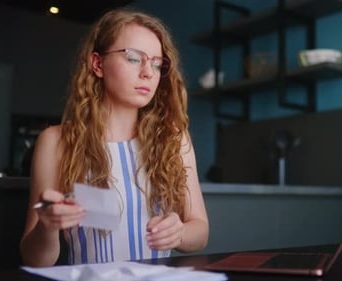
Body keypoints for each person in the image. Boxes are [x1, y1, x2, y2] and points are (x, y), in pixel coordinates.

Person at [20, 8, 209, 267]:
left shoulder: (174, 139)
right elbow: (34, 259)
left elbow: (200, 231)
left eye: (156, 63)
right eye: (133, 58)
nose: (147, 72)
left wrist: (180, 233)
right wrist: (48, 227)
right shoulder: (56, 142)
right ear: (97, 64)